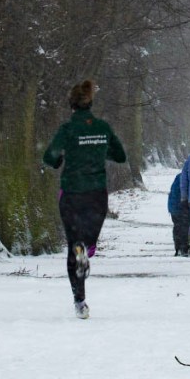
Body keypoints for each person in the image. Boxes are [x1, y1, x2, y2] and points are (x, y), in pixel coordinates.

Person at [42, 80, 127, 319]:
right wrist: (99, 151)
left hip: (71, 194)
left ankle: (80, 301)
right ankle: (86, 250)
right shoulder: (102, 127)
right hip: (96, 194)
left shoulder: (67, 130)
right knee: (88, 241)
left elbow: (49, 156)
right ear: (91, 103)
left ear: (72, 105)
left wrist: (60, 160)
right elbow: (120, 156)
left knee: (73, 244)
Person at [167, 173, 190, 256]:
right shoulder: (186, 178)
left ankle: (178, 248)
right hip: (181, 206)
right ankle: (184, 247)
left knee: (177, 227)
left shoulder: (179, 176)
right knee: (184, 227)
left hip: (174, 206)